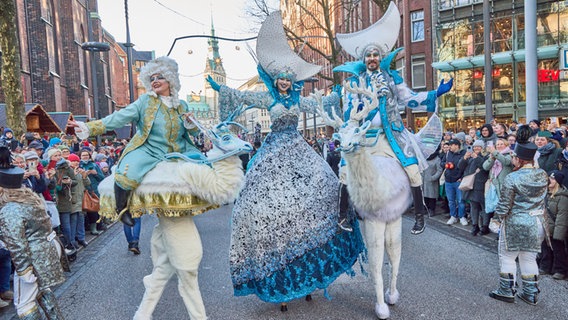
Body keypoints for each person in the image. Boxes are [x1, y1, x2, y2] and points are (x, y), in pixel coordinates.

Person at [207, 11, 365, 311]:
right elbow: (244, 99)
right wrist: (223, 90)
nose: (283, 82)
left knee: (326, 194)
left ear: (292, 82)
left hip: (298, 152)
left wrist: (342, 92)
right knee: (257, 207)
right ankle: (278, 279)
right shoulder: (268, 99)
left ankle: (313, 270)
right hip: (272, 154)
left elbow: (323, 103)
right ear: (274, 79)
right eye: (279, 77)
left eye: (287, 78)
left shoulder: (297, 101)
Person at [332, 18, 453, 235]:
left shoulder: (392, 77)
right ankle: (342, 216)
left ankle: (419, 216)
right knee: (345, 171)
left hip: (393, 135)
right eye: (368, 55)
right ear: (364, 58)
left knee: (413, 171)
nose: (372, 58)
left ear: (380, 57)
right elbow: (349, 114)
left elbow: (410, 99)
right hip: (365, 137)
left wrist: (436, 93)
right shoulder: (354, 82)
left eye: (375, 55)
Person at [68, 56, 201, 228]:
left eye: (159, 77)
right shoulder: (145, 101)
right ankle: (122, 210)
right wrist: (87, 127)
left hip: (179, 149)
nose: (155, 81)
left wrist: (190, 124)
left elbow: (194, 131)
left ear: (170, 79)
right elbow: (118, 118)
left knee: (203, 166)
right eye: (151, 78)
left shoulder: (182, 105)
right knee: (126, 174)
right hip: (149, 149)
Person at [0, 146, 66, 319]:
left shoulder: (10, 209)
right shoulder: (28, 198)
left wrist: (23, 271)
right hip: (46, 248)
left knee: (24, 305)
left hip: (33, 256)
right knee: (43, 291)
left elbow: (17, 244)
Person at [489, 125, 548, 305]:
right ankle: (530, 294)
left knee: (507, 256)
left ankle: (506, 290)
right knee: (529, 257)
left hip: (516, 222)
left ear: (520, 159)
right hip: (537, 222)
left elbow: (505, 204)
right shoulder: (543, 175)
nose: (512, 159)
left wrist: (496, 220)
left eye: (514, 157)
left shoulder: (512, 178)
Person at [538, 170, 568, 280]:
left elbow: (562, 217)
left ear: (558, 182)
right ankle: (545, 267)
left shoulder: (562, 197)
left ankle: (560, 270)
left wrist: (558, 234)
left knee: (558, 250)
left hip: (555, 229)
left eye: (553, 178)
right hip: (546, 227)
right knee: (545, 249)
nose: (549, 180)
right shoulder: (545, 193)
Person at [458, 140, 489, 235]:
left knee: (484, 207)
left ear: (482, 147)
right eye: (475, 147)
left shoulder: (486, 156)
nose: (476, 148)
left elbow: (485, 167)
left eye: (479, 147)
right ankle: (475, 225)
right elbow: (460, 167)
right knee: (473, 206)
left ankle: (485, 226)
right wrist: (464, 158)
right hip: (470, 185)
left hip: (481, 185)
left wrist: (477, 158)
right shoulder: (470, 156)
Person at [441, 139, 467, 225]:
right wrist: (446, 165)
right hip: (448, 180)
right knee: (451, 200)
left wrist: (462, 177)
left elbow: (466, 167)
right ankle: (453, 216)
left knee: (460, 200)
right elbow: (442, 162)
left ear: (456, 145)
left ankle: (462, 216)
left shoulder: (463, 153)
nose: (449, 147)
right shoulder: (448, 153)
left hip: (458, 180)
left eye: (451, 145)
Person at [68, 153, 90, 248]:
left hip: (81, 198)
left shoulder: (81, 171)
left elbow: (87, 183)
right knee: (73, 221)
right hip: (73, 199)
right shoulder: (69, 171)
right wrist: (74, 175)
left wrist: (84, 176)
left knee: (81, 220)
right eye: (73, 161)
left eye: (77, 161)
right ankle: (72, 240)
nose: (76, 163)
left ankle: (81, 238)